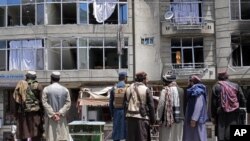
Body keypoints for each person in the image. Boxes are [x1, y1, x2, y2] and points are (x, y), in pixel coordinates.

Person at [211, 71, 246, 141]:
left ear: (219, 77)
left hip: (221, 113)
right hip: (235, 113)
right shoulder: (236, 86)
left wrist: (213, 116)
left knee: (221, 135)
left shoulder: (216, 86)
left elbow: (214, 104)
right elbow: (242, 100)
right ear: (227, 77)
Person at [12, 71, 44, 141]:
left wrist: (15, 114)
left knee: (24, 134)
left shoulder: (20, 85)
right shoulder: (39, 86)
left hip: (23, 114)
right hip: (35, 114)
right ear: (35, 77)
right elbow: (42, 102)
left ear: (26, 77)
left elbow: (16, 101)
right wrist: (43, 114)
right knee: (36, 134)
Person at [124, 71, 155, 141]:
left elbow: (124, 104)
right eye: (147, 79)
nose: (148, 80)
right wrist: (153, 120)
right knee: (142, 138)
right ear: (143, 80)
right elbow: (151, 106)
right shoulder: (146, 89)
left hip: (130, 118)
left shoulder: (128, 88)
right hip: (141, 118)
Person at [42, 71, 71, 141]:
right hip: (62, 118)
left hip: (51, 119)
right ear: (59, 79)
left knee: (51, 138)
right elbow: (68, 103)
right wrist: (60, 113)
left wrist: (53, 114)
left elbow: (44, 102)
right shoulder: (65, 90)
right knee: (63, 138)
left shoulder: (46, 89)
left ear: (51, 78)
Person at [156, 74, 184, 141]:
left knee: (167, 138)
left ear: (166, 82)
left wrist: (158, 118)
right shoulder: (181, 90)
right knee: (177, 138)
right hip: (179, 119)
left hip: (167, 120)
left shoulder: (164, 91)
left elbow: (161, 105)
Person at [183, 75, 208, 141]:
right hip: (194, 120)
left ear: (192, 82)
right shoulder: (195, 90)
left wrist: (194, 119)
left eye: (188, 81)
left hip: (196, 121)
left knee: (196, 137)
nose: (187, 82)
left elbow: (199, 105)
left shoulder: (197, 91)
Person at [109, 72, 129, 141]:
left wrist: (112, 114)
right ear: (125, 78)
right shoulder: (127, 87)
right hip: (125, 112)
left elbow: (110, 103)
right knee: (127, 133)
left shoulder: (114, 88)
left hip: (116, 112)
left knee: (116, 133)